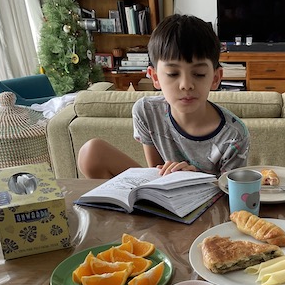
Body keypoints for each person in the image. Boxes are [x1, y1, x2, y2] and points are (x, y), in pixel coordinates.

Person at [77, 14, 250, 179]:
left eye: (199, 74)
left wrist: (193, 180)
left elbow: (231, 193)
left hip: (209, 196)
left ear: (216, 78)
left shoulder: (234, 135)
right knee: (91, 153)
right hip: (162, 190)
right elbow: (156, 173)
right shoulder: (146, 111)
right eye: (173, 73)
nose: (186, 85)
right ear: (155, 77)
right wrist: (171, 179)